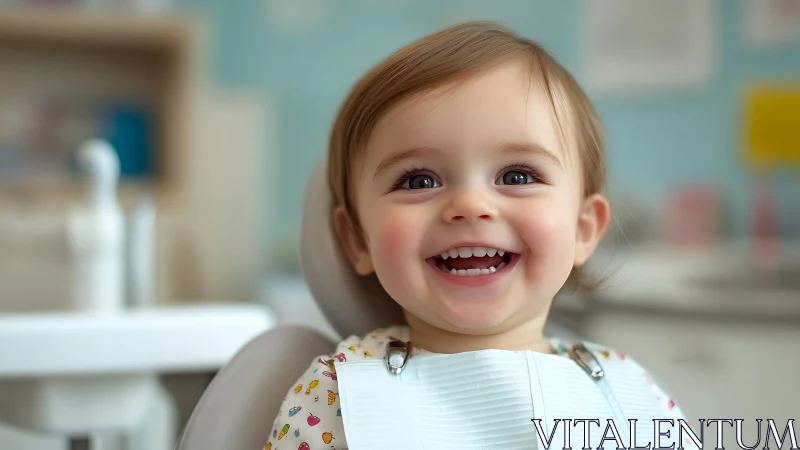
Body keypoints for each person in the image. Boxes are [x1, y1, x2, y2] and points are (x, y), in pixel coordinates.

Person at [263, 21, 688, 450]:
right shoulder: (336, 395)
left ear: (583, 228)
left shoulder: (629, 392)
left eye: (518, 175)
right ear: (357, 240)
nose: (469, 204)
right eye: (418, 181)